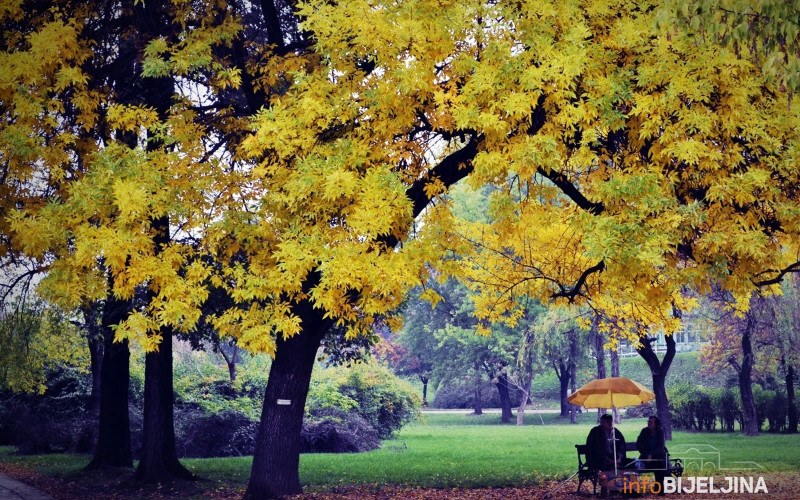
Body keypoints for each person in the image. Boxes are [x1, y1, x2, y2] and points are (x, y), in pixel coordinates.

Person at [636, 415, 667, 494]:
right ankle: (659, 488)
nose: (648, 423)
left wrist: (651, 454)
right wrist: (647, 454)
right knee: (656, 464)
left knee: (659, 464)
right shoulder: (644, 431)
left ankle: (659, 488)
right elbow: (639, 445)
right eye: (648, 421)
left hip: (658, 455)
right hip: (645, 456)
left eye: (651, 422)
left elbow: (661, 446)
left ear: (656, 424)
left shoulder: (660, 431)